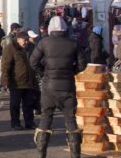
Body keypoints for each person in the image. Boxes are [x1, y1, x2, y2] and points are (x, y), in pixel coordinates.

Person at [30, 16, 87, 158]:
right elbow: (82, 64)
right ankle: (75, 155)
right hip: (67, 86)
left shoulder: (44, 42)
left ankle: (41, 154)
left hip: (49, 87)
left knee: (45, 119)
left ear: (50, 28)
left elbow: (33, 61)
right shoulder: (73, 43)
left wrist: (44, 73)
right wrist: (71, 72)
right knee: (70, 120)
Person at [2, 31, 37, 130]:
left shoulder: (31, 47)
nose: (26, 42)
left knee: (29, 104)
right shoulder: (10, 48)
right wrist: (5, 82)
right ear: (18, 39)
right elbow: (5, 66)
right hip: (16, 82)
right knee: (15, 104)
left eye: (27, 40)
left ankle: (29, 123)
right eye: (24, 40)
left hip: (29, 80)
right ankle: (15, 123)